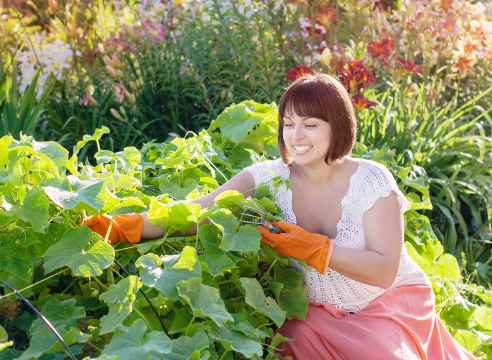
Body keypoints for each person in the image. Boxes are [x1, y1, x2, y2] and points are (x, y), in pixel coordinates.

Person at [82, 73, 476, 360]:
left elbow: (384, 270)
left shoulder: (371, 180)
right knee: (289, 342)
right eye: (288, 124)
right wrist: (124, 227)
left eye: (310, 124)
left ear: (337, 127)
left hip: (385, 304)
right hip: (315, 310)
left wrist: (312, 247)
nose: (296, 135)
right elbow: (196, 213)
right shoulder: (269, 177)